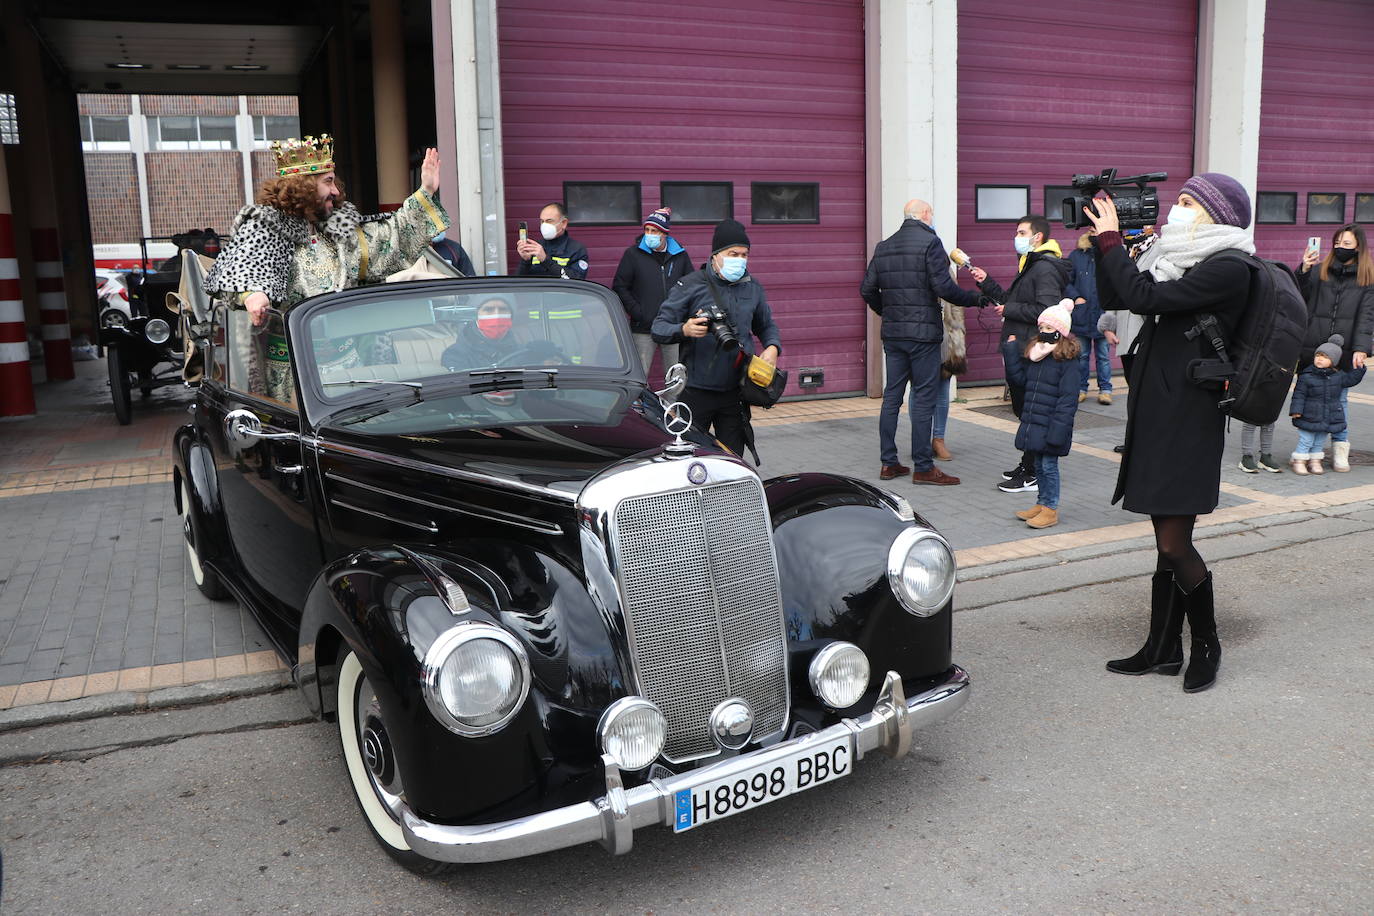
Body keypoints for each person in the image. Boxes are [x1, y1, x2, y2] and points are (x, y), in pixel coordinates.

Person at [1085, 172, 1256, 694]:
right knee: (1165, 539)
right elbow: (1119, 290)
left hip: (1191, 416)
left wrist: (1115, 240)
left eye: (1186, 201)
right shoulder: (1178, 257)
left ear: (1215, 213)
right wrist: (1103, 245)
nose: (1175, 208)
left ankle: (1207, 643)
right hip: (1163, 409)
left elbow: (1143, 298)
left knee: (1175, 541)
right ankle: (1162, 648)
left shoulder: (1229, 267)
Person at [204, 135, 449, 401]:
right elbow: (237, 271)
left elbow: (392, 238)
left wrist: (425, 192)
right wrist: (252, 295)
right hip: (293, 375)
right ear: (303, 186)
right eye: (328, 182)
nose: (336, 191)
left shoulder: (339, 232)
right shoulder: (264, 228)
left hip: (351, 370)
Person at [860, 199, 984, 486]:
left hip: (893, 335)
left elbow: (866, 289)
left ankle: (888, 464)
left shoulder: (884, 246)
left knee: (892, 397)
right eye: (932, 214)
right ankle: (923, 467)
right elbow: (944, 288)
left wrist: (885, 311)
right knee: (924, 398)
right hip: (924, 336)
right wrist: (975, 298)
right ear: (925, 215)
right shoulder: (931, 243)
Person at [651, 219, 780, 458]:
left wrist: (772, 347)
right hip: (696, 392)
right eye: (733, 254)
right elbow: (659, 328)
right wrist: (685, 329)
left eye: (744, 254)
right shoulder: (691, 285)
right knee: (690, 458)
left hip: (735, 392)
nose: (739, 260)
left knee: (731, 460)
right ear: (716, 255)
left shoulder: (752, 287)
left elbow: (766, 325)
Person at [970, 215, 1070, 493]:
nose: (1017, 236)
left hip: (1031, 350)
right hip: (1020, 348)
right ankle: (1028, 464)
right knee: (1025, 411)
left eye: (1021, 232)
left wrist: (1010, 312)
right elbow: (1012, 301)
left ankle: (1033, 472)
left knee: (1031, 413)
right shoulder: (1031, 264)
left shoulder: (1045, 268)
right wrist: (987, 282)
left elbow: (1047, 310)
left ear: (1037, 237)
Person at [1296, 223, 1374, 471]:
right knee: (1310, 399)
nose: (1340, 248)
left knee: (1339, 401)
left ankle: (1340, 449)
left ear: (1358, 246)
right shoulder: (1321, 271)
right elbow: (1300, 295)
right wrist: (1305, 268)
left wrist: (1362, 347)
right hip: (1315, 347)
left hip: (1346, 349)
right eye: (1337, 243)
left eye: (1347, 244)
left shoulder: (1367, 279)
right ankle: (1307, 451)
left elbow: (1367, 316)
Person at [1000, 299, 1082, 530]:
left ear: (1061, 332)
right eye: (1042, 328)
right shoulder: (1038, 353)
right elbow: (1021, 381)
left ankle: (1050, 509)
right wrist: (1011, 353)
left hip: (1053, 424)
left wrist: (1058, 430)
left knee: (1048, 466)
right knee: (1038, 464)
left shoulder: (1068, 361)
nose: (1044, 332)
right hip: (1036, 421)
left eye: (1049, 328)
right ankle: (1041, 503)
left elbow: (1068, 400)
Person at [612, 207, 692, 374]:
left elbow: (691, 286)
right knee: (640, 375)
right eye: (647, 230)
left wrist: (681, 314)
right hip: (643, 328)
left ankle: (672, 402)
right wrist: (638, 312)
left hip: (672, 326)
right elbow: (620, 287)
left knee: (675, 375)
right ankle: (640, 402)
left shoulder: (680, 255)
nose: (649, 234)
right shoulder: (633, 254)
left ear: (664, 233)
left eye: (654, 231)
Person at [1099, 226, 1156, 453]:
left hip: (1147, 334)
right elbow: (1117, 290)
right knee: (1134, 392)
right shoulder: (1124, 251)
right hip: (1126, 334)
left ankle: (1149, 441)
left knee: (1149, 393)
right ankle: (1134, 439)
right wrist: (1108, 325)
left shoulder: (1160, 249)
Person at [1289, 335, 1367, 475]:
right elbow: (1299, 395)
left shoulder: (1338, 376)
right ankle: (1299, 460)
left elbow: (1351, 380)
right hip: (1309, 414)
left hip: (1328, 415)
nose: (1319, 359)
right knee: (1306, 439)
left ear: (1333, 361)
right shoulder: (1307, 376)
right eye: (1318, 355)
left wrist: (1359, 369)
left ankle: (1315, 461)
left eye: (1324, 357)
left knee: (1319, 440)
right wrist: (1296, 410)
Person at [1064, 231, 1112, 404]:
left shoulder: (1110, 254)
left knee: (1104, 356)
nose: (1094, 234)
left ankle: (1105, 390)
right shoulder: (1076, 255)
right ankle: (1081, 388)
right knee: (1082, 355)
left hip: (1103, 313)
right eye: (1091, 231)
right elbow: (1066, 281)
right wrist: (1076, 297)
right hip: (1082, 314)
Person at [932, 300, 968, 461]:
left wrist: (958, 329)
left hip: (946, 337)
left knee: (943, 390)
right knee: (918, 391)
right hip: (919, 335)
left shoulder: (944, 273)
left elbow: (955, 302)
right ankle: (920, 439)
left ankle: (938, 439)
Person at [517, 202, 589, 280]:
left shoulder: (576, 249)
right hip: (535, 291)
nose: (544, 225)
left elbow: (577, 280)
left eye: (549, 221)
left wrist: (545, 260)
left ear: (564, 223)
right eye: (542, 221)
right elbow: (519, 282)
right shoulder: (534, 247)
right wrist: (526, 261)